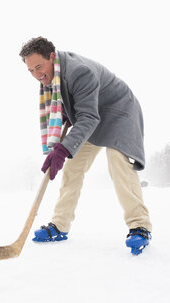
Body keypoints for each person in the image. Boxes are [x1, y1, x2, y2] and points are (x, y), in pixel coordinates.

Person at [19, 37, 152, 255]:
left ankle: (140, 226)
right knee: (73, 167)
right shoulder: (54, 76)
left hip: (119, 113)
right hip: (92, 117)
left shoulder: (80, 71)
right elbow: (78, 105)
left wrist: (62, 149)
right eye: (31, 70)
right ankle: (60, 225)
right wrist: (65, 113)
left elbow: (88, 116)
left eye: (39, 67)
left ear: (52, 57)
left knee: (118, 163)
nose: (36, 74)